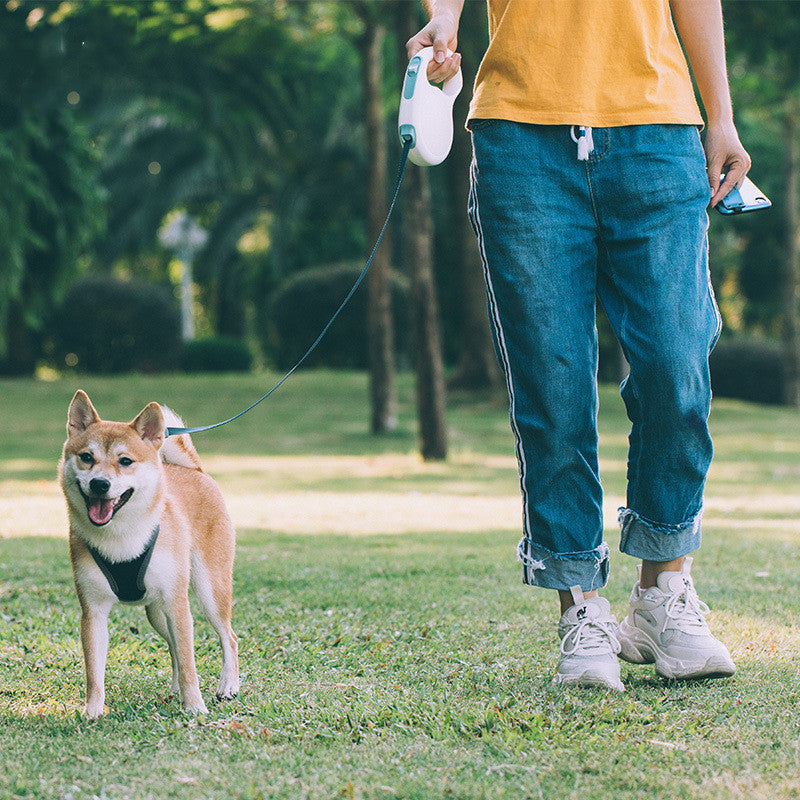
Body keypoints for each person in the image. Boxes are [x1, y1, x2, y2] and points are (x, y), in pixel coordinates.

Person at [408, 0, 750, 690]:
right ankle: (581, 610)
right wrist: (442, 20)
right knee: (553, 385)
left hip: (657, 129)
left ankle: (663, 593)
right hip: (522, 133)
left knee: (676, 367)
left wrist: (722, 116)